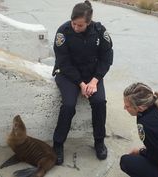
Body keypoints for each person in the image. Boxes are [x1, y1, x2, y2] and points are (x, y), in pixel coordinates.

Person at [52, 0, 113, 165]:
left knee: (100, 102)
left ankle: (99, 141)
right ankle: (58, 144)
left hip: (92, 76)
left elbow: (106, 58)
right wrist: (80, 83)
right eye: (73, 23)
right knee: (69, 105)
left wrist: (94, 80)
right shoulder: (63, 32)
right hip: (68, 75)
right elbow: (63, 62)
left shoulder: (100, 32)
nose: (75, 27)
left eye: (80, 25)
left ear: (89, 22)